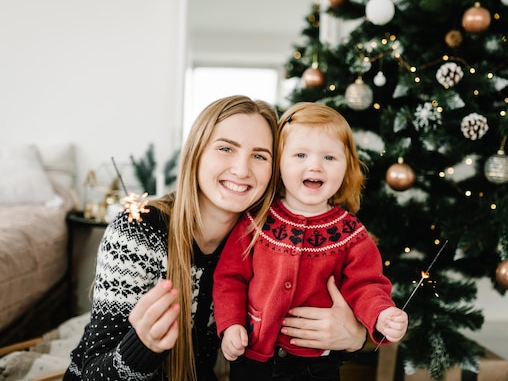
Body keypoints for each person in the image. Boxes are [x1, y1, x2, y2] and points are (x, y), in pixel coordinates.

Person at [63, 96, 367, 381]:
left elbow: (288, 347)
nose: (241, 169)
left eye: (260, 156)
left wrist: (351, 339)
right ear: (197, 152)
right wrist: (142, 348)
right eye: (225, 148)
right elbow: (92, 372)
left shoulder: (272, 244)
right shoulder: (140, 230)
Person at [213, 102, 409, 381]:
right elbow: (230, 278)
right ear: (279, 163)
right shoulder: (255, 221)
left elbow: (366, 285)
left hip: (316, 366)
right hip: (254, 359)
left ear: (347, 167)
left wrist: (382, 314)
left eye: (330, 158)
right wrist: (231, 325)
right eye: (301, 155)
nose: (315, 165)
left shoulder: (351, 235)